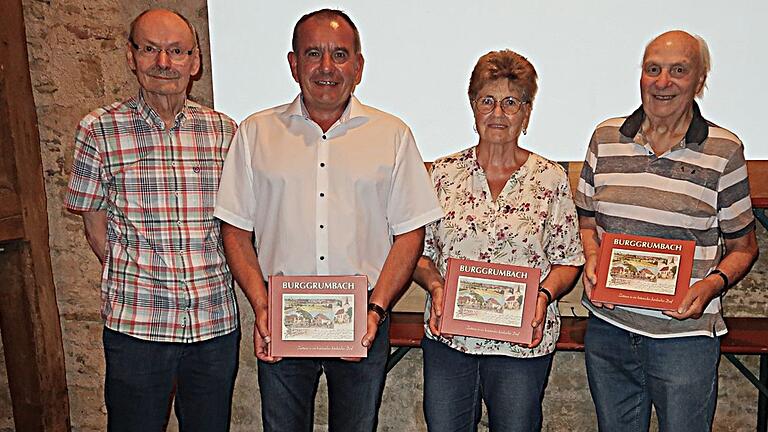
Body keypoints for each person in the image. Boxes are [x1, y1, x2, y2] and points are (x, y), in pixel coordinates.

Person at [214, 9, 443, 432]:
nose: (326, 67)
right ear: (293, 63)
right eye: (313, 53)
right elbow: (235, 230)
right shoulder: (254, 133)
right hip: (279, 320)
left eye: (339, 54)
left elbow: (411, 233)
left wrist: (376, 310)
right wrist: (262, 307)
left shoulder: (392, 135)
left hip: (364, 322)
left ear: (358, 65)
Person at [575, 30, 759, 432]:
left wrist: (710, 287)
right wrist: (591, 256)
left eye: (678, 70)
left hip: (685, 338)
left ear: (700, 80)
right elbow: (587, 222)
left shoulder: (724, 151)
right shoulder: (606, 138)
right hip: (609, 329)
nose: (663, 82)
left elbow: (744, 247)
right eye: (652, 69)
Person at [65, 9, 239, 431]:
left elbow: (237, 225)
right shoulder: (99, 130)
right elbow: (94, 224)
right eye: (151, 49)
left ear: (195, 62)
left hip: (213, 325)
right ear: (131, 56)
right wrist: (139, 275)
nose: (164, 63)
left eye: (177, 51)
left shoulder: (224, 132)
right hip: (137, 328)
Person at [412, 50, 585, 432]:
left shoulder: (550, 178)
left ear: (526, 111)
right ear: (473, 106)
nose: (498, 113)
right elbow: (418, 254)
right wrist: (437, 287)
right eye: (487, 101)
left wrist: (542, 297)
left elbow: (569, 259)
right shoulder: (441, 174)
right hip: (450, 342)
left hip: (521, 346)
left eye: (511, 102)